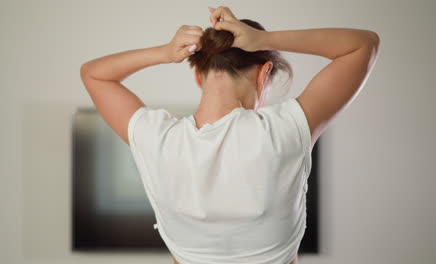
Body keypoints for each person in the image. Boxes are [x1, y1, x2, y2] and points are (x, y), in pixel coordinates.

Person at [80, 6, 379, 264]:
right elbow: (363, 45)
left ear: (198, 76)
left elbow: (93, 73)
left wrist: (166, 52)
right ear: (264, 75)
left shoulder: (157, 139)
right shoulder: (285, 131)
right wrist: (266, 40)